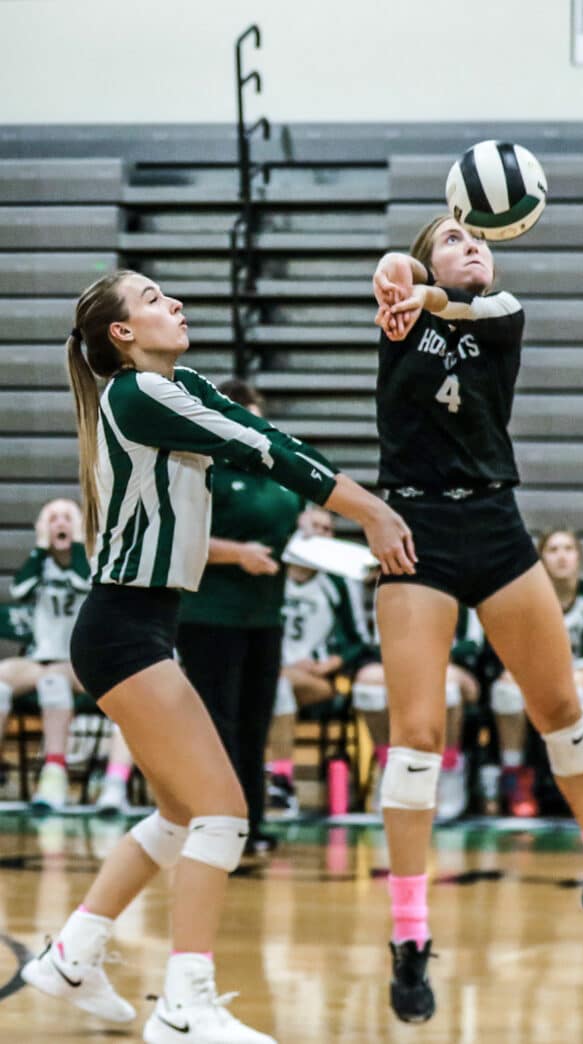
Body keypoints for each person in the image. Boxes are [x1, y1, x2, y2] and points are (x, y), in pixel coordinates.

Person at [20, 269, 415, 1044]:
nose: (174, 303)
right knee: (224, 811)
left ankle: (72, 955)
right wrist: (369, 506)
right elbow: (259, 445)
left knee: (177, 814)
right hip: (122, 629)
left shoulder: (181, 381)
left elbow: (265, 434)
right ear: (122, 335)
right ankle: (184, 1005)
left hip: (142, 625)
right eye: (153, 299)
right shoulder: (136, 395)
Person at [371, 218, 583, 1023]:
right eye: (451, 239)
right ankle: (409, 936)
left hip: (497, 527)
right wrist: (394, 277)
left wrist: (423, 286)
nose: (472, 246)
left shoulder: (501, 312)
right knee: (414, 738)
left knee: (563, 715)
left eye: (481, 239)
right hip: (417, 534)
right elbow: (395, 271)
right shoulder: (400, 307)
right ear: (422, 255)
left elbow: (461, 300)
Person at [176, 378, 304, 853]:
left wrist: (313, 536)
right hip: (210, 616)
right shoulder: (203, 466)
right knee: (217, 722)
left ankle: (249, 822)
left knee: (255, 722)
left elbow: (295, 529)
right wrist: (238, 554)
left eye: (256, 415)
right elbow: (183, 537)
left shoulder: (274, 472)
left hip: (263, 616)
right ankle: (214, 822)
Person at [490, 526, 583, 818]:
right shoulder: (528, 597)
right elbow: (520, 651)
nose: (562, 557)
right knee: (505, 691)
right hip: (543, 676)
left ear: (579, 557)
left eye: (568, 549)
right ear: (541, 559)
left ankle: (582, 783)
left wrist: (554, 677)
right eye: (553, 550)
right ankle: (515, 777)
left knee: (577, 689)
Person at [265, 505, 372, 816]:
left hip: (317, 680)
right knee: (269, 683)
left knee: (279, 684)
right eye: (316, 527)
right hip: (266, 671)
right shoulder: (272, 574)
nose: (323, 535)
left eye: (329, 530)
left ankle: (282, 780)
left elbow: (359, 641)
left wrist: (332, 663)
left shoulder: (337, 583)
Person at [353, 600, 483, 821]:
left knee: (446, 682)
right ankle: (389, 769)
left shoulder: (463, 577)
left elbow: (473, 642)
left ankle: (449, 769)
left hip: (453, 664)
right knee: (368, 683)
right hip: (401, 663)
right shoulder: (394, 575)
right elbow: (374, 642)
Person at [0, 498, 89, 810]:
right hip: (41, 659)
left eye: (67, 517)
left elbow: (82, 582)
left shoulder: (88, 560)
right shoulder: (39, 563)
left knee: (54, 683)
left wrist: (77, 542)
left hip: (76, 663)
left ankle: (54, 776)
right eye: (53, 518)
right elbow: (20, 591)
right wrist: (40, 548)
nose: (60, 524)